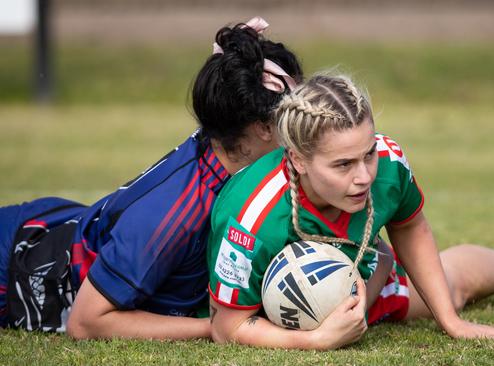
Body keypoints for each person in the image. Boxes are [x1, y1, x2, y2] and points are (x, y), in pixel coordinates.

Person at [206, 74, 494, 349]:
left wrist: (451, 322)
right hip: (277, 310)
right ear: (297, 160)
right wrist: (316, 340)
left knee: (454, 289)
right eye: (342, 165)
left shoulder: (387, 163)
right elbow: (228, 328)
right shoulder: (251, 219)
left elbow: (411, 228)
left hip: (362, 275)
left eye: (366, 154)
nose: (364, 176)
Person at [0, 18, 303, 339]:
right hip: (17, 263)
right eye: (295, 115)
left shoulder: (227, 145)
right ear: (263, 128)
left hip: (59, 223)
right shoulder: (175, 213)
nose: (303, 128)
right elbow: (86, 321)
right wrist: (216, 327)